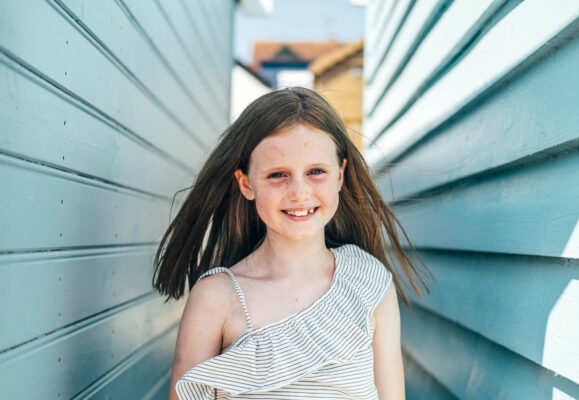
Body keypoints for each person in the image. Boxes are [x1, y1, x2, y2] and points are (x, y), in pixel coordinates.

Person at [153, 87, 432, 399]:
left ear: (340, 175)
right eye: (277, 175)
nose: (299, 193)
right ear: (247, 184)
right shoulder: (215, 299)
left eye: (315, 171)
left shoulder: (370, 282)